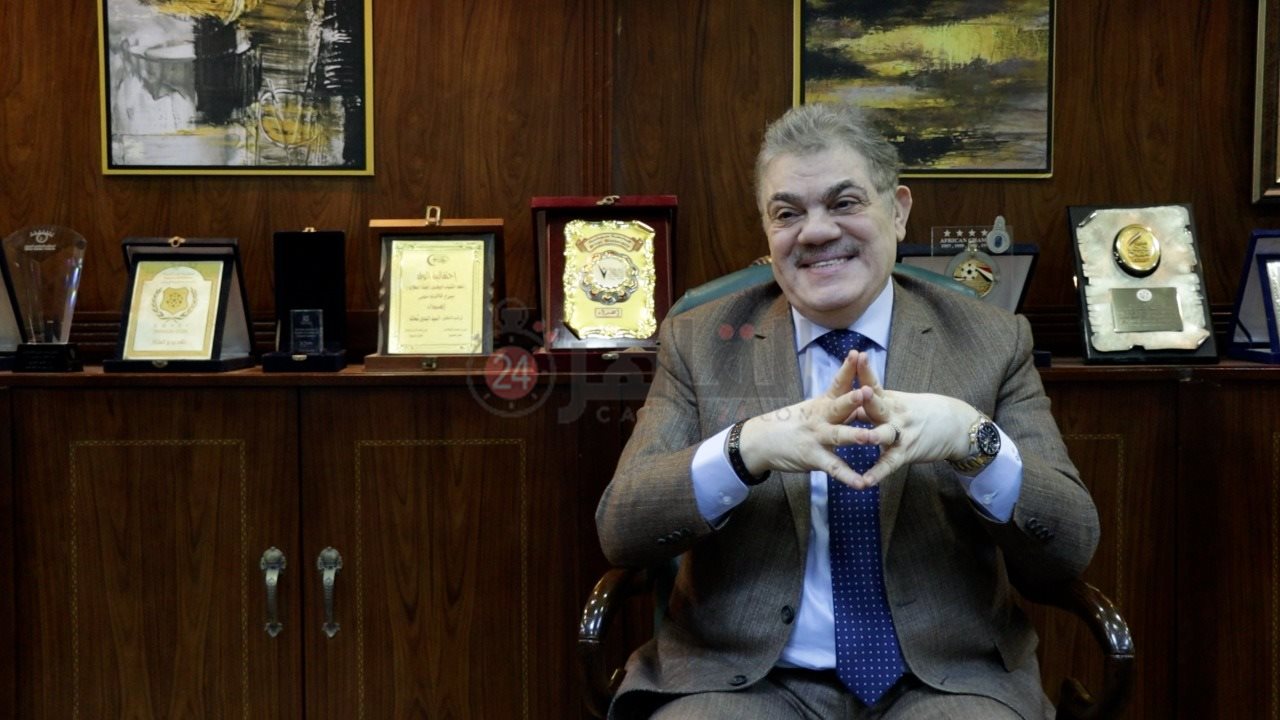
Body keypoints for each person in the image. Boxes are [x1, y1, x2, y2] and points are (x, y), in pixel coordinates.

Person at [595, 102, 1100, 720]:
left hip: (946, 681)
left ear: (898, 210)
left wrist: (975, 442)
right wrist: (744, 449)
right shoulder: (700, 342)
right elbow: (622, 528)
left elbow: (1069, 545)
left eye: (844, 202)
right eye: (787, 213)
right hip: (741, 681)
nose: (814, 232)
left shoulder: (992, 341)